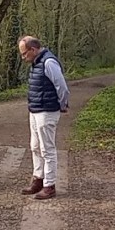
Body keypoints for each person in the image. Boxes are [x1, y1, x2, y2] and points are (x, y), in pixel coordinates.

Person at [18, 36, 69, 200]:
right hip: (35, 110)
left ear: (33, 50)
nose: (23, 57)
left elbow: (62, 86)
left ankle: (49, 185)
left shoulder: (48, 62)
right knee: (35, 146)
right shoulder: (36, 63)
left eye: (24, 53)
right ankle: (38, 179)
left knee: (47, 149)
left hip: (47, 111)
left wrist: (62, 104)